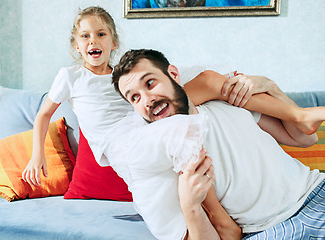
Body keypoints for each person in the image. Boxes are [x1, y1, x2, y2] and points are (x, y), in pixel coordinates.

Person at [21, 6, 264, 239]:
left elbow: (145, 99)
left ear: (113, 43)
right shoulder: (71, 76)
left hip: (138, 124)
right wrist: (36, 155)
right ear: (77, 46)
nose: (93, 41)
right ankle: (216, 215)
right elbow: (43, 115)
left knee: (191, 85)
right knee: (177, 135)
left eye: (101, 34)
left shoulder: (122, 77)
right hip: (114, 142)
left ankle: (247, 89)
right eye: (85, 36)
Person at [111, 49, 325, 240]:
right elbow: (225, 232)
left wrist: (271, 87)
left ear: (174, 75)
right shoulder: (162, 157)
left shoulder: (223, 100)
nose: (147, 99)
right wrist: (191, 205)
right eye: (135, 98)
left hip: (315, 191)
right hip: (269, 230)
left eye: (150, 83)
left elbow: (306, 138)